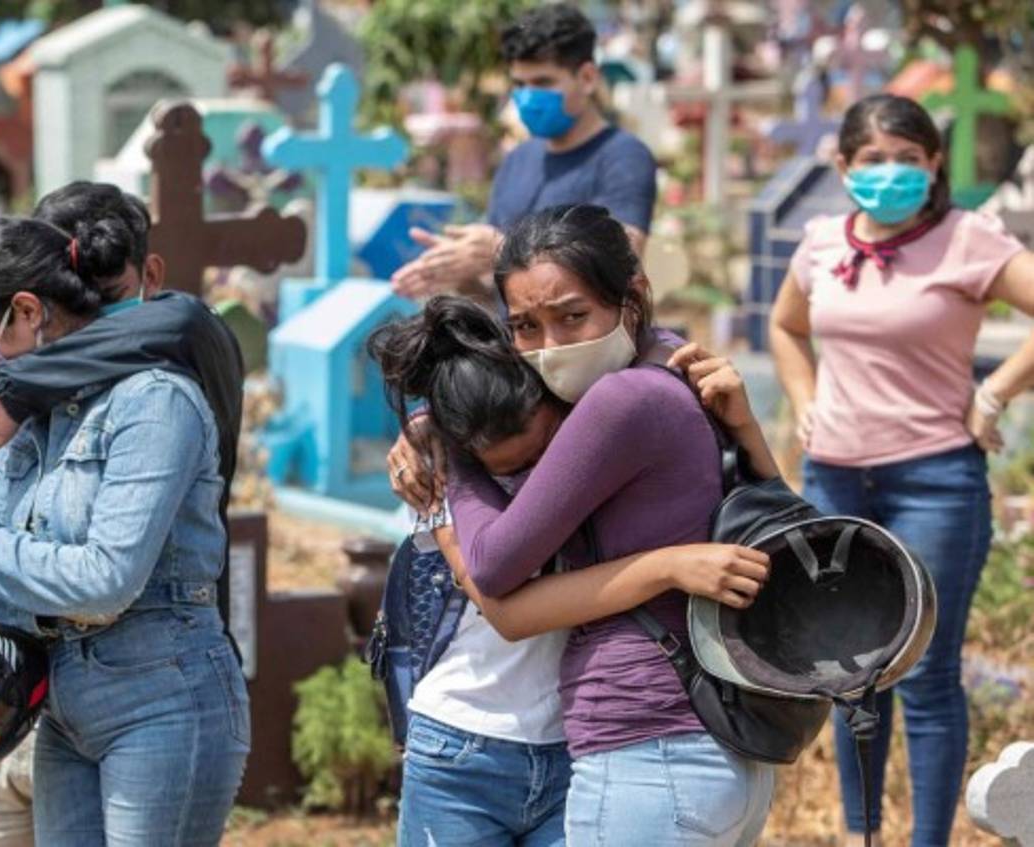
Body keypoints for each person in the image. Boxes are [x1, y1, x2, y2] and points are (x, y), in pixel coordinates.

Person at [375, 205, 778, 845]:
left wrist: (450, 458)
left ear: (632, 298)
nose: (554, 348)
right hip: (565, 740)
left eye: (573, 316)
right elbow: (769, 505)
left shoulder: (615, 401)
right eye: (526, 327)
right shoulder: (663, 372)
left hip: (645, 748)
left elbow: (492, 568)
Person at [0, 215, 249, 845]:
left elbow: (104, 581)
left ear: (27, 309)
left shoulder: (156, 403)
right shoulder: (34, 414)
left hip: (162, 701)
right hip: (63, 706)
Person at [769, 93, 1034, 847]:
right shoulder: (822, 241)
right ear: (843, 166)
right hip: (836, 481)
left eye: (908, 159)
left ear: (933, 165)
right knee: (853, 671)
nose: (891, 173)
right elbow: (785, 327)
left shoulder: (966, 239)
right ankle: (861, 835)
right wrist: (803, 395)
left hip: (936, 481)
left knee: (926, 673)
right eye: (874, 160)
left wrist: (994, 392)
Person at [390, 3, 657, 300]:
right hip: (516, 344)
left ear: (587, 78)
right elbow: (505, 298)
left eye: (543, 82)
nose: (528, 97)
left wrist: (503, 248)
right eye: (519, 84)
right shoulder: (517, 160)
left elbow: (620, 262)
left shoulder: (623, 156)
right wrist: (462, 276)